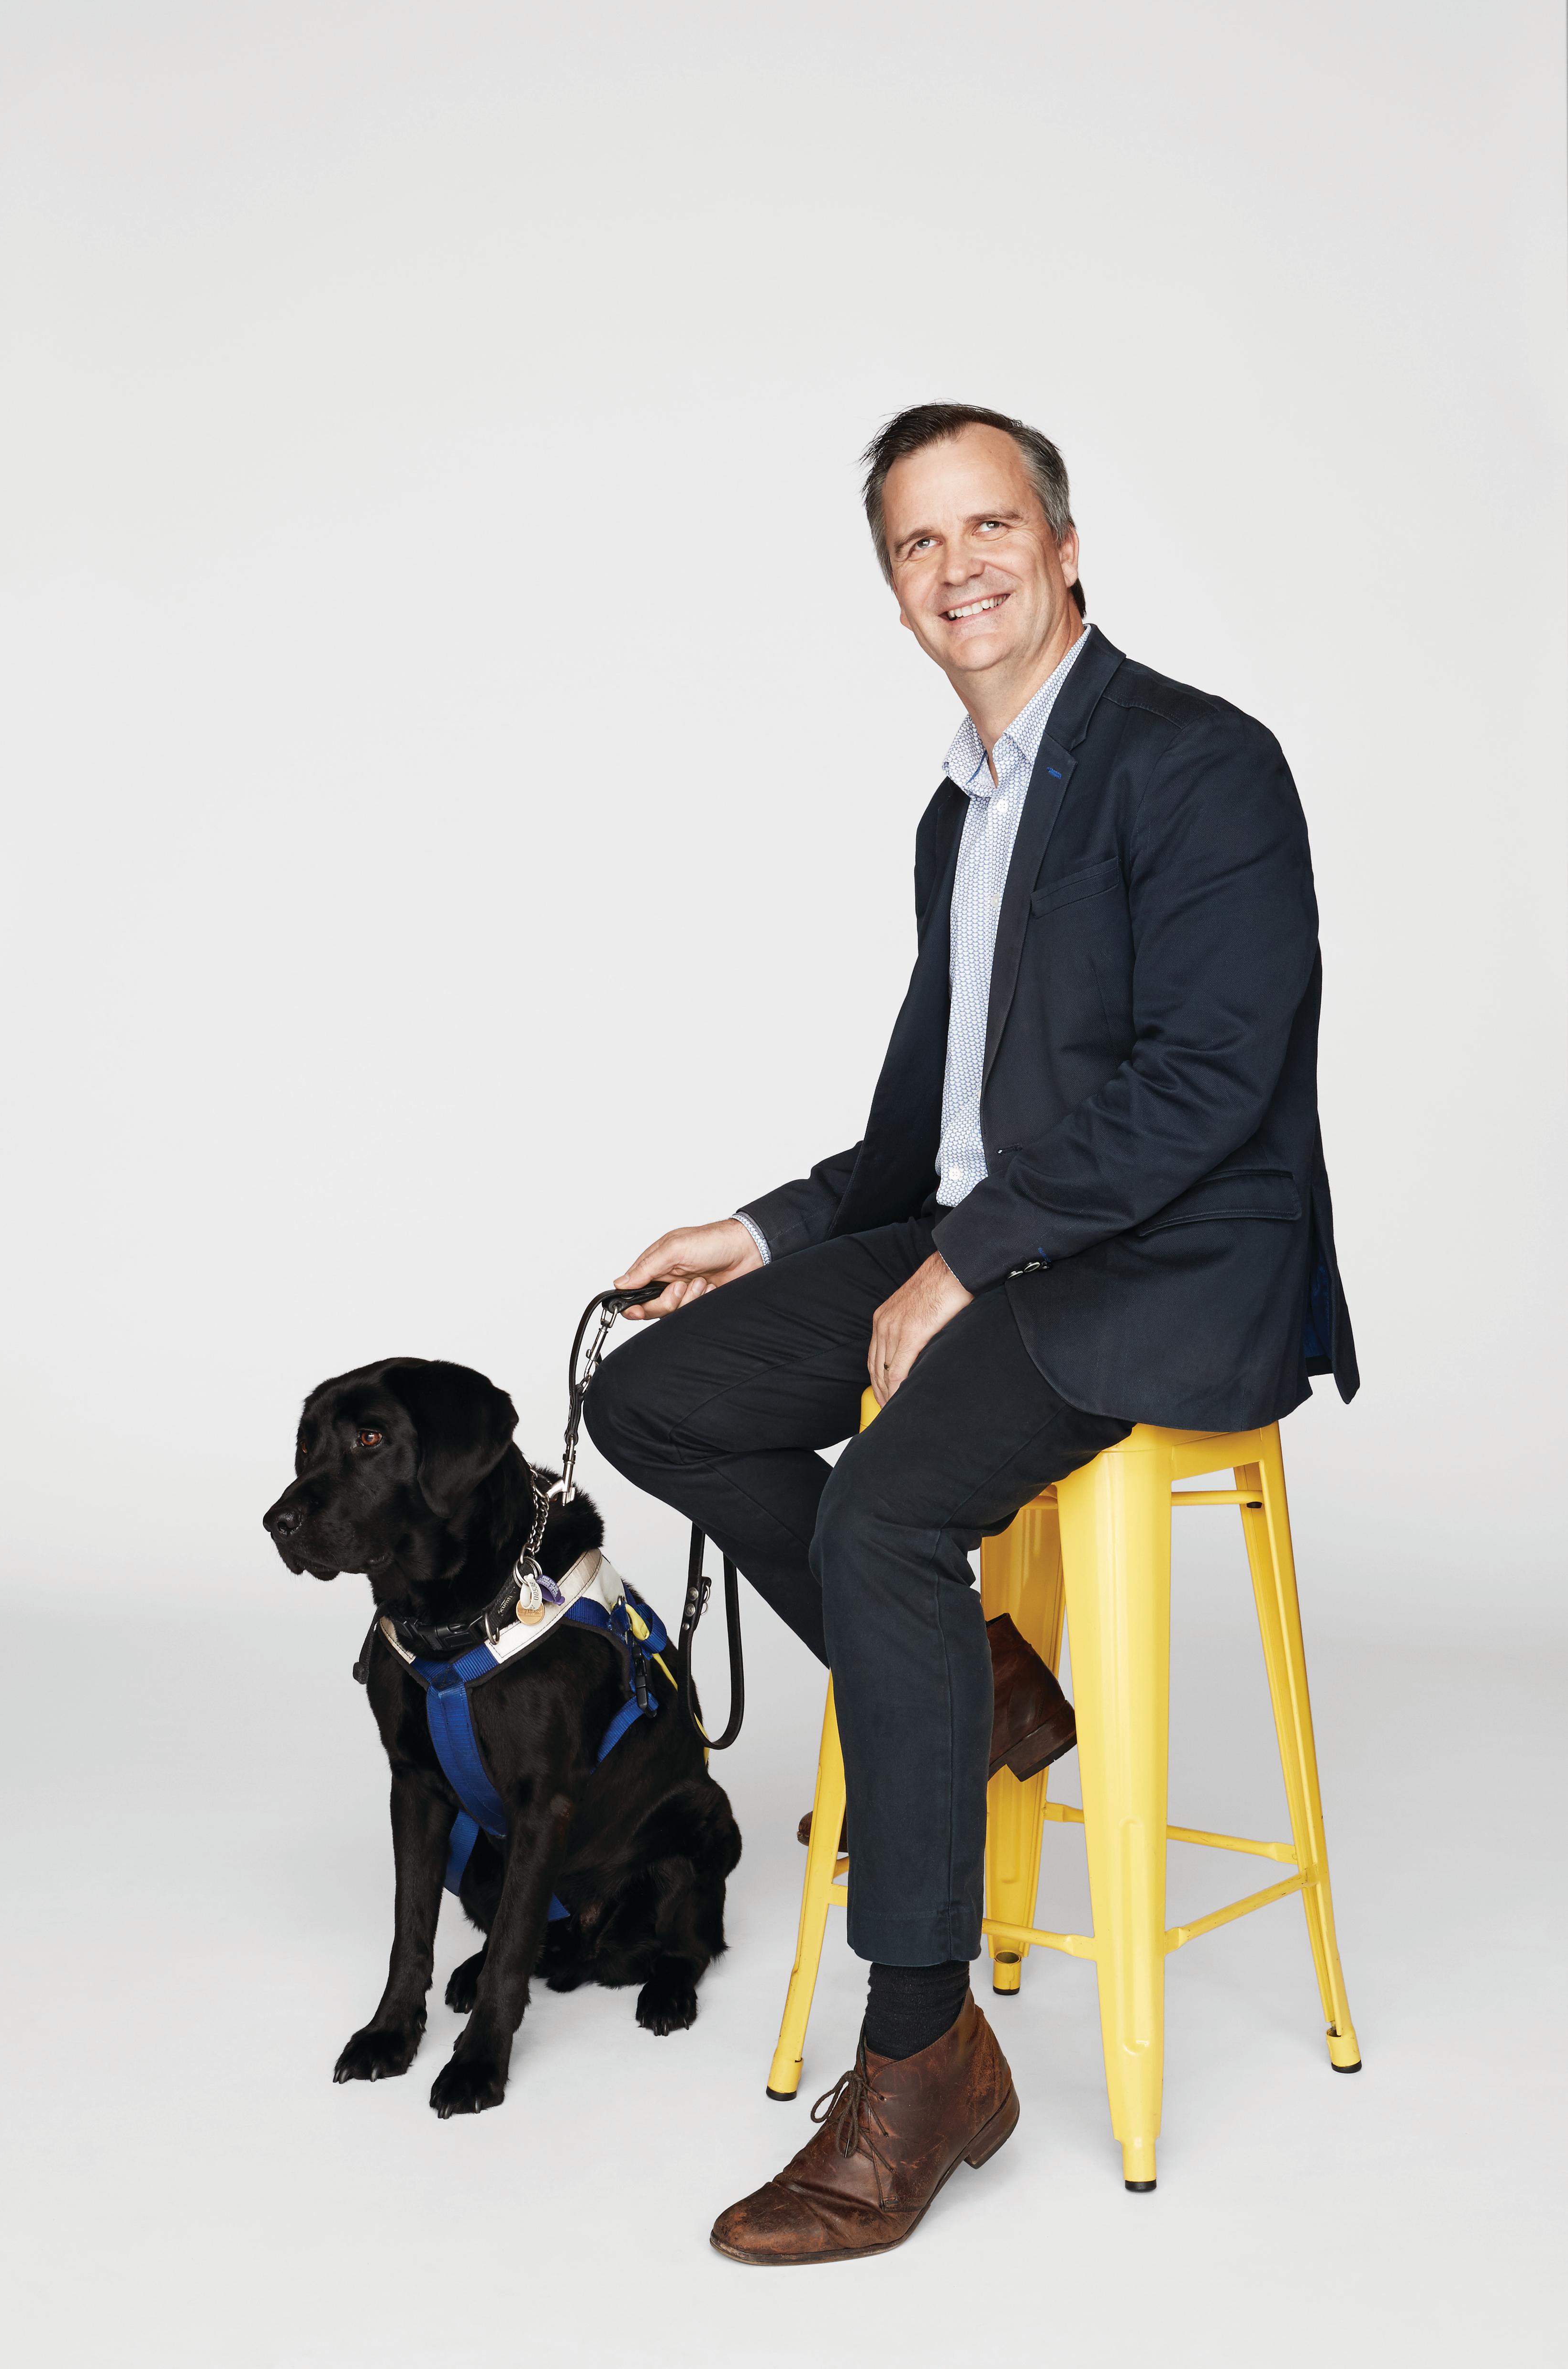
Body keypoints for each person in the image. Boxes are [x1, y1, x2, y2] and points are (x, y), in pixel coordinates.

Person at [583, 402, 1357, 2267]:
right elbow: (916, 1128)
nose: (959, 568)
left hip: (1168, 1264)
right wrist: (762, 1232)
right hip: (994, 1245)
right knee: (659, 1386)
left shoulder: (1197, 763)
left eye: (988, 525)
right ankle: (977, 1679)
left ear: (1066, 542)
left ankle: (926, 2059)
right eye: (918, 546)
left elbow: (1204, 1085)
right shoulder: (963, 808)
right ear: (895, 589)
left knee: (877, 1514)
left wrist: (959, 1265)